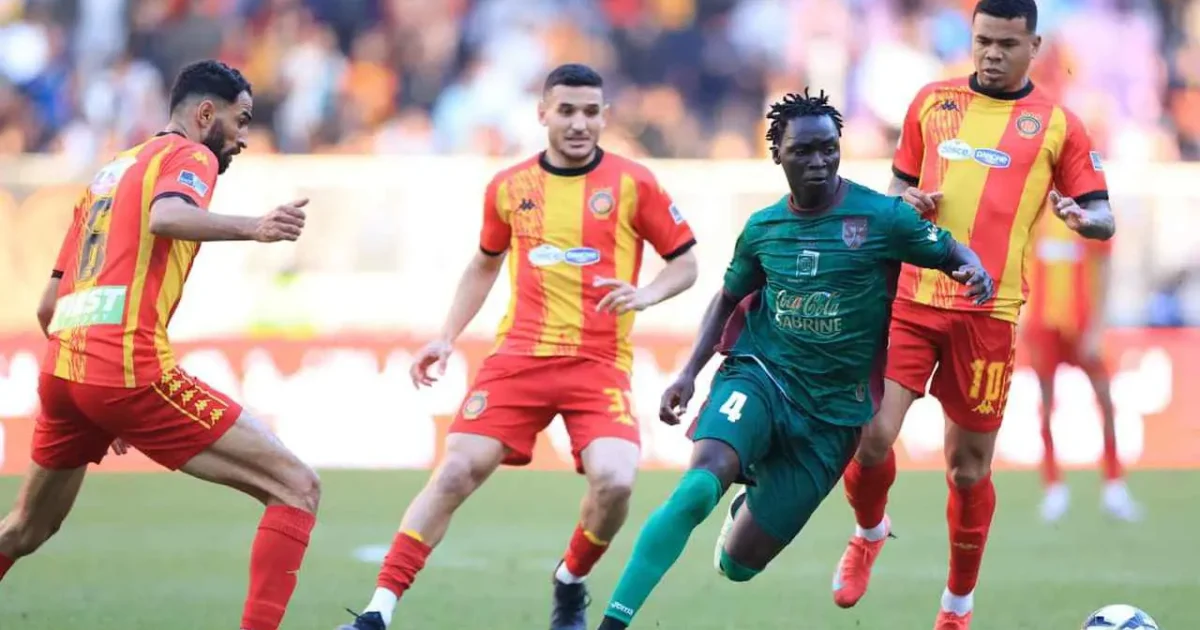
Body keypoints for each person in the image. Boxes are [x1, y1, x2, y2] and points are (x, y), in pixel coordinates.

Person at [594, 89, 995, 630]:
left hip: (833, 416)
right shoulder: (763, 228)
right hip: (761, 375)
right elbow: (728, 298)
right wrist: (689, 374)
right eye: (803, 150)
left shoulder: (882, 217)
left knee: (739, 566)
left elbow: (949, 251)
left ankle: (749, 505)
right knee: (698, 486)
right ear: (777, 154)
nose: (819, 161)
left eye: (828, 148)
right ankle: (613, 622)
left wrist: (973, 270)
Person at [338, 63, 699, 630]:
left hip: (598, 364)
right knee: (455, 471)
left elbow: (686, 262)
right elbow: (484, 264)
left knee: (616, 482)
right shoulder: (509, 187)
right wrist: (446, 337)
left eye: (590, 112)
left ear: (605, 116)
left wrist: (647, 294)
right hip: (519, 360)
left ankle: (570, 579)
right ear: (542, 113)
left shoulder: (635, 183)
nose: (579, 123)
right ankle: (377, 611)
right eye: (566, 110)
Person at [0, 60, 320, 630]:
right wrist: (255, 227)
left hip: (66, 367)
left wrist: (101, 398)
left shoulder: (111, 173)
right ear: (206, 113)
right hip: (123, 367)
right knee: (297, 487)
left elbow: (48, 305)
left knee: (25, 528)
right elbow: (167, 216)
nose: (243, 137)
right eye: (241, 120)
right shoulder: (190, 155)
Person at [830, 0, 1117, 627]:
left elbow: (1104, 215)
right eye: (983, 40)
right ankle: (870, 532)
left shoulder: (1060, 126)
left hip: (989, 316)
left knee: (967, 470)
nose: (991, 53)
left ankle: (956, 605)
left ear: (1033, 47)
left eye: (1007, 44)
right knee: (869, 435)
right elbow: (896, 189)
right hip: (912, 299)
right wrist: (908, 203)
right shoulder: (931, 102)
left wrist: (1082, 218)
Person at [1024, 211, 1141, 522]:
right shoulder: (1035, 214)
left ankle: (1114, 486)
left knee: (1106, 401)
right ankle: (1053, 487)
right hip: (1043, 326)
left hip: (1083, 325)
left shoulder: (1088, 217)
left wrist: (1097, 328)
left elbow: (1104, 269)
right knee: (1046, 406)